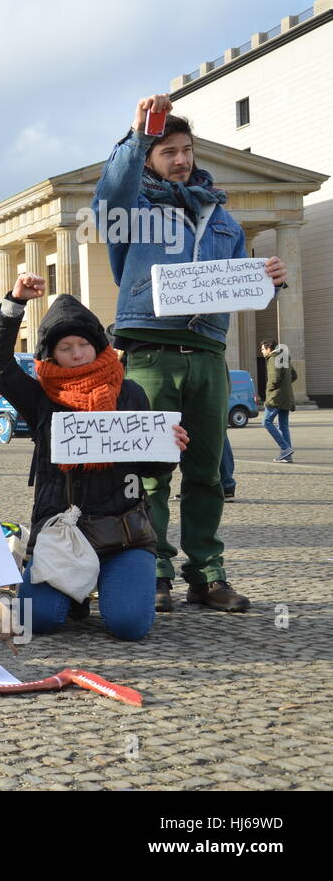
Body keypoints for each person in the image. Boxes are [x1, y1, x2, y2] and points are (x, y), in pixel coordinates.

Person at [94, 94, 287, 613]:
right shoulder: (132, 210)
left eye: (186, 150)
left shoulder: (223, 219)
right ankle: (153, 570)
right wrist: (138, 134)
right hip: (151, 350)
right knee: (152, 468)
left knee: (206, 471)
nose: (180, 160)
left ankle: (207, 574)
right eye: (167, 152)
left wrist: (267, 281)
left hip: (208, 353)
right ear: (150, 158)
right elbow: (110, 190)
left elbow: (240, 283)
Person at [0, 274, 186, 640]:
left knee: (129, 626)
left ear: (98, 347)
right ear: (51, 355)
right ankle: (71, 590)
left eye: (83, 344)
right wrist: (14, 302)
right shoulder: (40, 399)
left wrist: (168, 446)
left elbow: (152, 469)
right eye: (66, 347)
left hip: (123, 534)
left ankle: (107, 581)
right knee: (37, 622)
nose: (77, 353)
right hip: (61, 534)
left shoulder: (129, 393)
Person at [261, 339, 296, 463]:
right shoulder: (284, 358)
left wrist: (269, 390)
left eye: (263, 349)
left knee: (266, 422)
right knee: (283, 426)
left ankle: (285, 448)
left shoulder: (273, 358)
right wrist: (285, 386)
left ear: (269, 348)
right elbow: (294, 375)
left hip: (276, 397)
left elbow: (274, 378)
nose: (262, 351)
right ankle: (287, 455)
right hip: (286, 397)